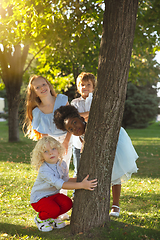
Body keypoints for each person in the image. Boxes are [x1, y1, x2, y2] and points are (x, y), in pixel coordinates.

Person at [54, 105, 139, 217]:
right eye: (70, 129)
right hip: (99, 154)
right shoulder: (80, 136)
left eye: (74, 123)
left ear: (82, 119)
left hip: (115, 145)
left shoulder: (93, 125)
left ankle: (116, 205)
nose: (74, 128)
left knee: (116, 175)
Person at [23, 75, 73, 220]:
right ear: (34, 92)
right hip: (51, 145)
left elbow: (71, 122)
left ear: (48, 85)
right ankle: (55, 208)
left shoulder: (62, 100)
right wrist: (50, 149)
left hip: (66, 139)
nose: (42, 88)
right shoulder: (37, 111)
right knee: (53, 173)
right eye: (37, 87)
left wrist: (66, 141)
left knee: (63, 171)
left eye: (43, 84)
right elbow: (44, 136)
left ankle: (62, 209)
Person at [30, 136, 97, 232]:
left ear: (58, 149)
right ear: (41, 156)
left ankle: (53, 218)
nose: (50, 152)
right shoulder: (44, 170)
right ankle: (40, 219)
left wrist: (81, 180)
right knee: (53, 209)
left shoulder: (62, 164)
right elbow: (61, 184)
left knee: (67, 204)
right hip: (39, 198)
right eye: (46, 151)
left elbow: (66, 180)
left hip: (53, 195)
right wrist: (82, 185)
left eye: (53, 149)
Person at [71, 72, 95, 177]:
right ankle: (76, 193)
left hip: (94, 142)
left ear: (93, 87)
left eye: (88, 84)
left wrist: (81, 116)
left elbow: (96, 117)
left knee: (93, 169)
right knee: (78, 170)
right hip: (77, 143)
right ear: (78, 87)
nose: (85, 87)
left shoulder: (96, 101)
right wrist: (90, 113)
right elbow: (74, 119)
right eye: (82, 85)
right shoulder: (74, 103)